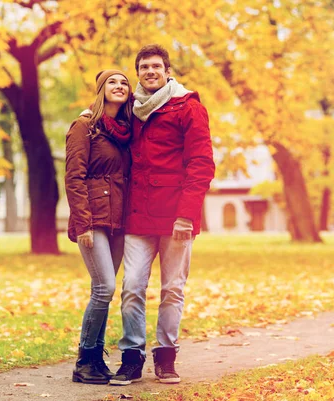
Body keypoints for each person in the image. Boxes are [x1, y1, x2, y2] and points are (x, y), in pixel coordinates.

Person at [109, 44, 215, 386]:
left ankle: (167, 358)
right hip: (138, 216)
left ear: (168, 71)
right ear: (138, 72)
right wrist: (87, 116)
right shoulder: (132, 109)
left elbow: (201, 164)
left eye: (156, 66)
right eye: (144, 67)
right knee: (131, 287)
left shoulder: (189, 107)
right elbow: (108, 123)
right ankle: (131, 357)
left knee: (172, 289)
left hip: (176, 218)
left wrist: (186, 215)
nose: (150, 71)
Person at [65, 69, 132, 385]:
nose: (119, 86)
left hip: (119, 220)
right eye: (112, 82)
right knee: (104, 286)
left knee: (104, 290)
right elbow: (74, 177)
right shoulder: (84, 127)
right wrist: (83, 224)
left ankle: (96, 362)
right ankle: (85, 360)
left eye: (124, 82)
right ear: (101, 89)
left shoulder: (127, 130)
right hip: (93, 218)